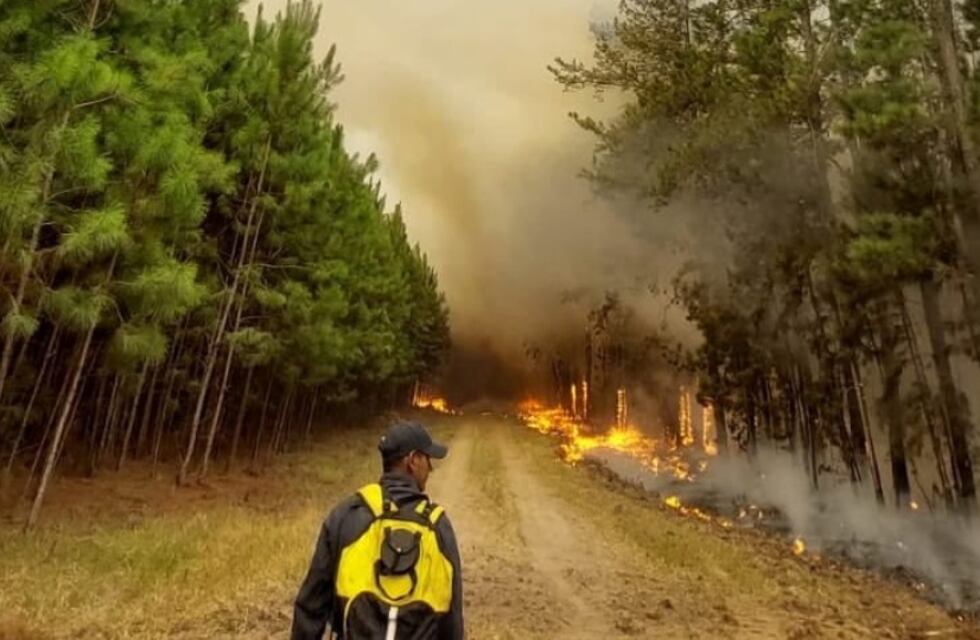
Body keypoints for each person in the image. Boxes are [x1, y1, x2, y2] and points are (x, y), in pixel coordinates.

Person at [291, 421, 464, 640]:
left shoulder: (345, 515)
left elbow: (310, 607)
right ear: (412, 461)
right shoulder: (438, 525)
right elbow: (451, 620)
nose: (430, 469)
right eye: (427, 460)